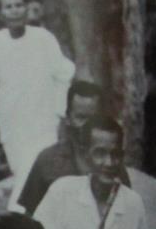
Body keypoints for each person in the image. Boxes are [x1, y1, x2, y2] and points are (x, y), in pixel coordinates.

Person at [0, 0, 75, 207]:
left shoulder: (43, 38)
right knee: (24, 172)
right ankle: (24, 221)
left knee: (42, 170)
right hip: (13, 123)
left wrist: (61, 111)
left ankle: (25, 221)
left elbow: (63, 74)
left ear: (27, 9)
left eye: (19, 5)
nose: (15, 10)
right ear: (0, 14)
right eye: (8, 7)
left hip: (45, 120)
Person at [18, 81, 130, 214]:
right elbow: (30, 215)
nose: (87, 125)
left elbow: (126, 210)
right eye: (81, 117)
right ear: (68, 118)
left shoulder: (111, 163)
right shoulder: (46, 160)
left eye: (94, 118)